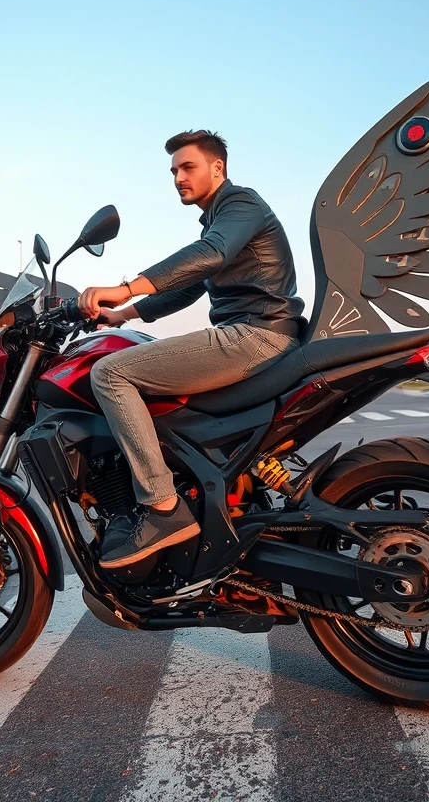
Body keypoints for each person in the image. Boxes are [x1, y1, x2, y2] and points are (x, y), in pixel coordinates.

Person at [78, 130, 304, 568]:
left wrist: (122, 290)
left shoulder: (241, 204)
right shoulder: (220, 218)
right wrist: (121, 316)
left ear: (217, 167)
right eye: (174, 171)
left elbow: (209, 255)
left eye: (188, 167)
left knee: (109, 373)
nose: (179, 177)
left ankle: (163, 508)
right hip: (256, 333)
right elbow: (190, 286)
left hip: (255, 335)